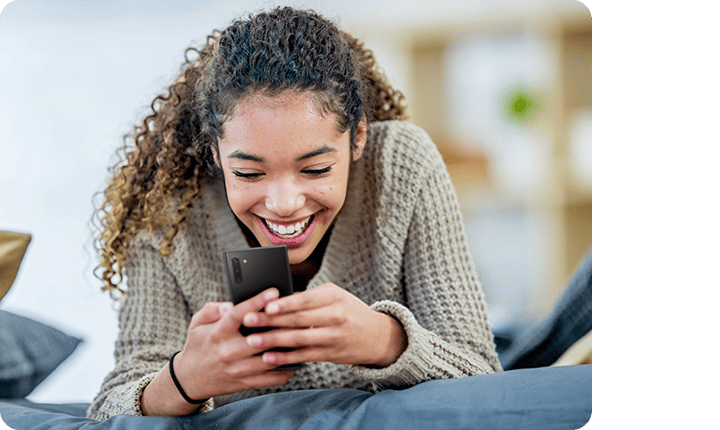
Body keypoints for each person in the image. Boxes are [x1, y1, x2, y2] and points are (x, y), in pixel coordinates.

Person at [88, 6, 502, 420]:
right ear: (215, 152)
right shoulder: (169, 213)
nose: (284, 204)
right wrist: (185, 379)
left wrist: (386, 340)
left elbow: (484, 375)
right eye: (249, 173)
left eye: (316, 169)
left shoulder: (400, 165)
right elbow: (110, 409)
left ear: (356, 137)